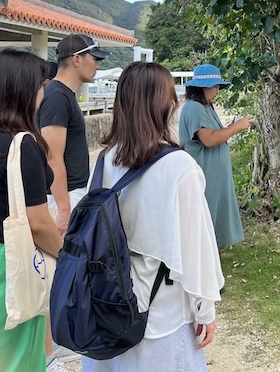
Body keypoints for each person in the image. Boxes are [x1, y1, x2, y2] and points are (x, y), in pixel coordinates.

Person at [82, 62, 224, 372]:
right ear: (165, 105)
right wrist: (206, 310)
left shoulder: (106, 158)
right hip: (159, 311)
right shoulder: (179, 167)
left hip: (108, 302)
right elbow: (196, 247)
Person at [0, 49, 63, 371]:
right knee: (21, 360)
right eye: (41, 83)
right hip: (14, 261)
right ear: (21, 89)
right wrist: (69, 257)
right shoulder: (23, 144)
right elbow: (38, 223)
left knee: (1, 355)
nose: (43, 92)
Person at [39, 33, 109, 235]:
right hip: (65, 196)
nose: (97, 66)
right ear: (77, 59)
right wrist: (63, 209)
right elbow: (52, 157)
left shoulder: (63, 94)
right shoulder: (57, 97)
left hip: (70, 193)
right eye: (95, 59)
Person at [179, 64, 253, 247]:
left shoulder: (205, 107)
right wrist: (236, 127)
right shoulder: (194, 108)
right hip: (204, 172)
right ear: (201, 87)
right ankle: (201, 251)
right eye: (214, 86)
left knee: (213, 209)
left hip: (213, 173)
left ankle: (209, 248)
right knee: (205, 210)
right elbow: (209, 139)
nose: (217, 91)